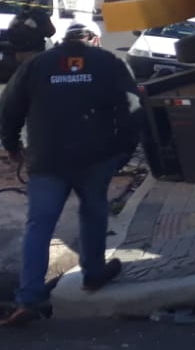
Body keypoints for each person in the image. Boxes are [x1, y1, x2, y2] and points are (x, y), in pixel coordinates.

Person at [0, 17, 144, 328]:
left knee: (39, 225)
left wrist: (12, 146)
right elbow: (133, 108)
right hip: (95, 158)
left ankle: (29, 298)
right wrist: (123, 151)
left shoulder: (38, 65)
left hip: (47, 159)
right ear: (94, 39)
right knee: (93, 214)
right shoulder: (108, 62)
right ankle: (92, 275)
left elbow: (9, 108)